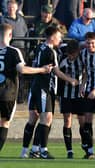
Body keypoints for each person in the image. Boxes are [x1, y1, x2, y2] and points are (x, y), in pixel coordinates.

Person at [20, 26, 78, 159]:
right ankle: (42, 150)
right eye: (58, 36)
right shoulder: (51, 52)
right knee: (47, 118)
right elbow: (56, 71)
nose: (60, 39)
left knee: (33, 119)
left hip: (34, 86)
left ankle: (26, 150)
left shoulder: (39, 47)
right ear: (52, 37)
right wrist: (71, 80)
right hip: (45, 88)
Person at [0, 23, 51, 152]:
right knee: (4, 123)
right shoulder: (13, 51)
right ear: (10, 35)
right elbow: (22, 69)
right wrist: (41, 69)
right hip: (7, 94)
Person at [58, 39, 86, 159]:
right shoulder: (62, 58)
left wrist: (82, 85)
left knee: (82, 121)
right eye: (69, 54)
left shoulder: (82, 58)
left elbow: (86, 73)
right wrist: (68, 79)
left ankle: (85, 144)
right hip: (65, 94)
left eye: (73, 54)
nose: (71, 56)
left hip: (79, 94)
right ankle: (69, 150)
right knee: (67, 121)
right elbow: (57, 71)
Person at [0, 0, 28, 103]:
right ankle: (9, 96)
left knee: (21, 74)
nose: (11, 9)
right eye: (9, 7)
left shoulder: (21, 19)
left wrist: (27, 46)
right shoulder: (3, 19)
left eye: (13, 7)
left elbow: (26, 33)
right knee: (10, 74)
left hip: (22, 49)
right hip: (9, 50)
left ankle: (20, 98)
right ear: (7, 8)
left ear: (17, 8)